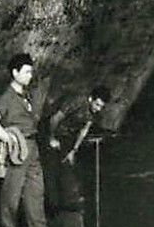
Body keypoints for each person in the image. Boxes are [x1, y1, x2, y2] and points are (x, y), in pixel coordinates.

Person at [0, 53, 54, 227]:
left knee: (36, 188)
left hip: (32, 146)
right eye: (26, 72)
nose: (30, 75)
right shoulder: (6, 98)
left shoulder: (26, 95)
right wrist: (8, 139)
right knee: (12, 191)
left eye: (31, 71)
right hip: (18, 148)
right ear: (15, 73)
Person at [44, 83, 111, 213]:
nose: (98, 109)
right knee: (51, 169)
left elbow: (83, 130)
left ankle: (65, 203)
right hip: (51, 131)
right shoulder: (76, 102)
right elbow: (54, 119)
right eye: (97, 105)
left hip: (66, 136)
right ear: (90, 99)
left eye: (101, 107)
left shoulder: (93, 112)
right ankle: (51, 206)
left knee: (67, 166)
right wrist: (51, 138)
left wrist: (74, 150)